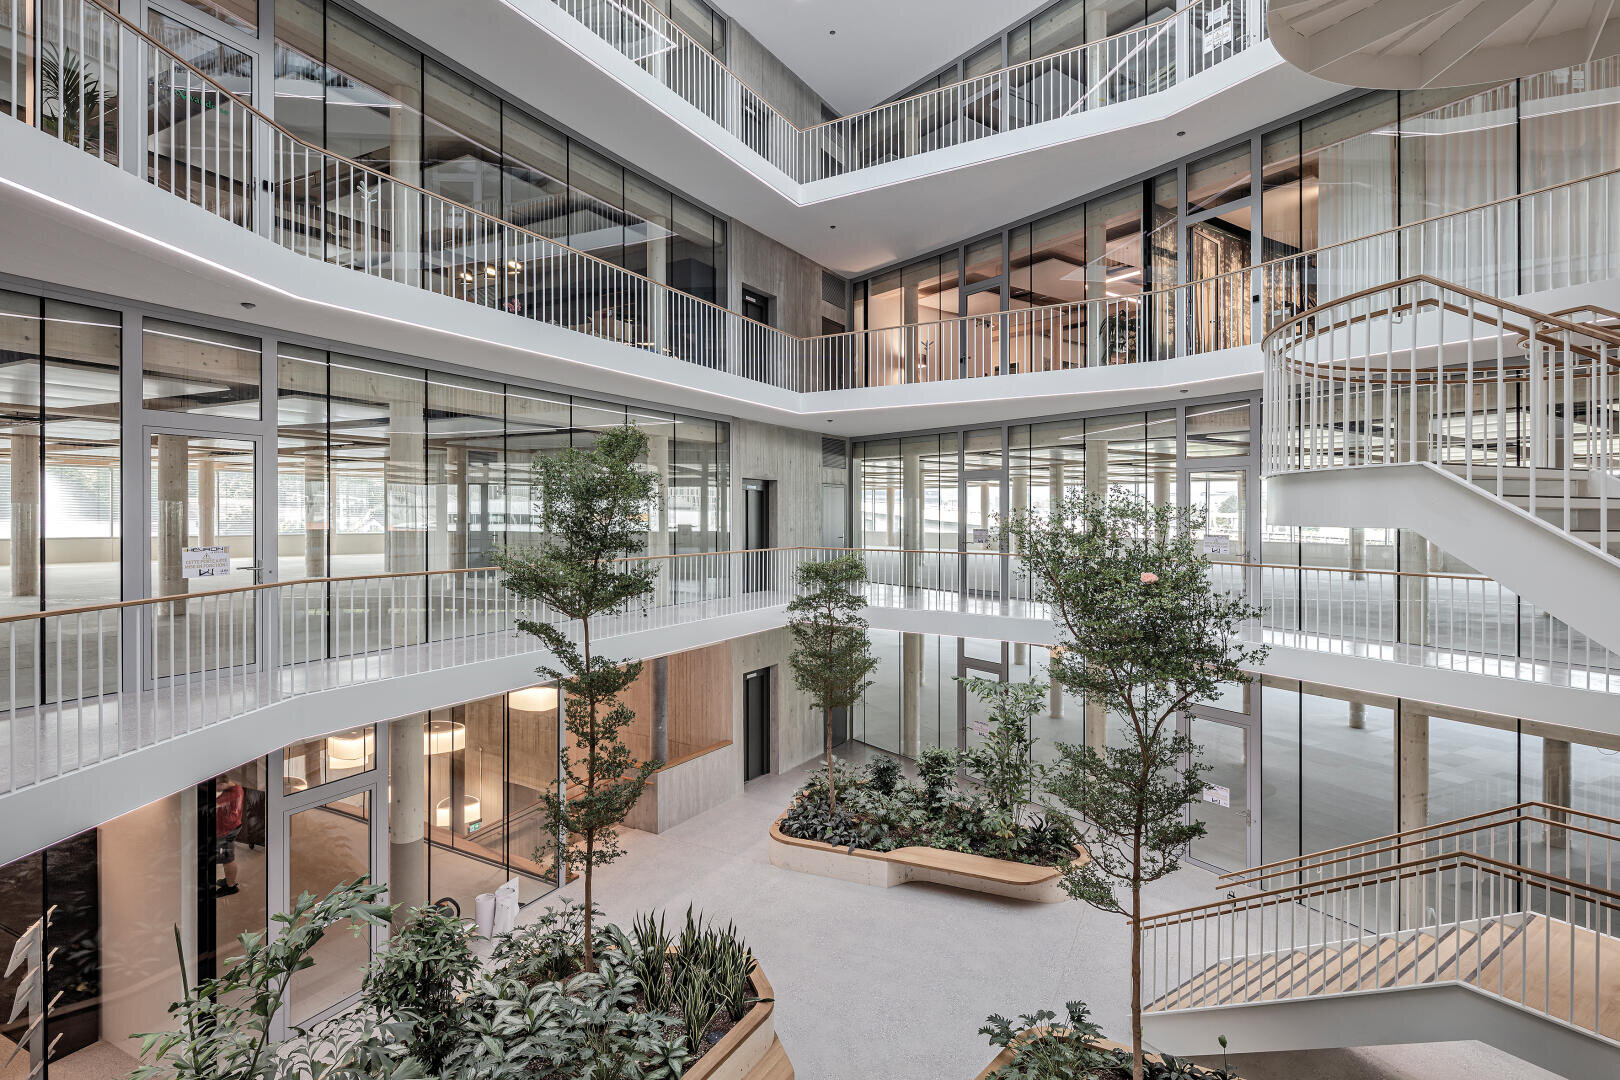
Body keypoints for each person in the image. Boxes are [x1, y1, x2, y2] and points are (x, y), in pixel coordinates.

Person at [214, 779, 245, 897]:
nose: (216, 790)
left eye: (216, 787)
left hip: (226, 831)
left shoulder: (231, 794)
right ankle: (228, 879)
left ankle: (230, 887)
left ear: (222, 784)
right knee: (226, 858)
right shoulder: (237, 787)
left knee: (228, 859)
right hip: (231, 827)